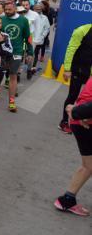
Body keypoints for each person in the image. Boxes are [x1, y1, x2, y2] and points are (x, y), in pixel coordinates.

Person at [55, 77, 92, 216]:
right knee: (88, 166)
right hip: (83, 123)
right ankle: (67, 200)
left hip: (82, 120)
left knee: (88, 166)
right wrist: (77, 112)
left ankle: (67, 199)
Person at [59, 23, 92, 134]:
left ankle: (84, 119)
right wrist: (67, 69)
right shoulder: (82, 30)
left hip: (90, 72)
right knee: (73, 95)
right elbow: (71, 49)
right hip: (78, 69)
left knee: (88, 98)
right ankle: (63, 122)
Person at [2, 1, 33, 113]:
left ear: (15, 8)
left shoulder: (23, 21)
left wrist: (30, 52)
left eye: (9, 9)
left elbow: (28, 37)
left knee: (13, 75)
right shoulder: (2, 19)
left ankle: (11, 101)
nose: (7, 11)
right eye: (5, 9)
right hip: (3, 52)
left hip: (17, 52)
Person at [29, 2, 51, 78]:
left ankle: (32, 68)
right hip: (29, 38)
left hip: (38, 39)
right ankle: (29, 66)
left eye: (39, 9)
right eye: (36, 9)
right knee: (29, 54)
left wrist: (43, 36)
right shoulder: (29, 16)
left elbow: (47, 28)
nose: (38, 10)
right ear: (33, 9)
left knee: (35, 53)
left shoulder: (44, 18)